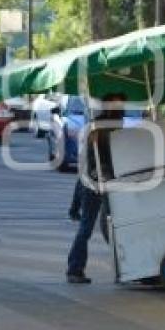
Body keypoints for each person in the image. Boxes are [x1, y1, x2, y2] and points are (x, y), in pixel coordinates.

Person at [66, 93, 125, 284]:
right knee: (87, 228)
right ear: (106, 105)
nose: (118, 108)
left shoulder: (117, 124)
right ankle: (74, 269)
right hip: (94, 182)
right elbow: (90, 162)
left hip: (105, 180)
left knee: (113, 227)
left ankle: (125, 266)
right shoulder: (98, 127)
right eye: (115, 104)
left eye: (120, 104)